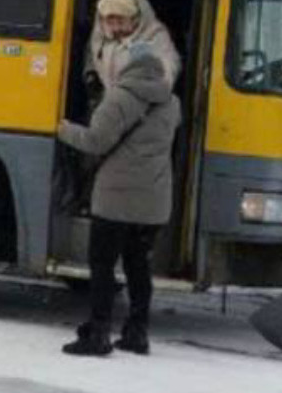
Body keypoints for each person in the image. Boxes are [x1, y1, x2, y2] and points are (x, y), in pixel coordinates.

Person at [56, 40, 182, 357]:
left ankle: (98, 333)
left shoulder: (119, 98)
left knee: (102, 267)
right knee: (138, 267)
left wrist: (65, 130)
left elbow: (96, 142)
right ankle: (137, 333)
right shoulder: (172, 103)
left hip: (116, 199)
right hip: (153, 202)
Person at [85, 0, 181, 110]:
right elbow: (93, 56)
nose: (115, 28)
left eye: (120, 22)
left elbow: (167, 68)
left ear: (134, 19)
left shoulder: (152, 35)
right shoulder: (102, 34)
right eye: (110, 22)